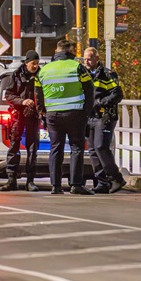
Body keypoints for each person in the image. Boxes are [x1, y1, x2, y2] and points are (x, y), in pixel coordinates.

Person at [36, 39, 94, 195]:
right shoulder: (78, 68)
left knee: (56, 149)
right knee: (76, 148)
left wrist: (42, 113)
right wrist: (86, 112)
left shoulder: (43, 70)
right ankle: (76, 184)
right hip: (75, 114)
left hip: (53, 115)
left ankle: (55, 186)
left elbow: (38, 95)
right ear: (72, 53)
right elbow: (90, 91)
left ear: (57, 51)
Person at [0, 49, 42, 192]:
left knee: (32, 148)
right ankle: (11, 179)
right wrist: (22, 102)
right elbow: (9, 95)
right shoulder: (16, 75)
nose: (35, 66)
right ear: (27, 63)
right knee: (14, 146)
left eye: (37, 63)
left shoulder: (42, 75)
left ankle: (30, 180)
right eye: (33, 63)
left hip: (34, 116)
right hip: (18, 115)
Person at [82, 47, 126, 194]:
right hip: (90, 116)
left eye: (89, 58)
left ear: (97, 58)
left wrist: (100, 102)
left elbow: (118, 94)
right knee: (93, 150)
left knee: (101, 147)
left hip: (104, 115)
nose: (87, 61)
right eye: (85, 59)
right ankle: (102, 182)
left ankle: (116, 178)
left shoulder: (107, 74)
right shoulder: (83, 74)